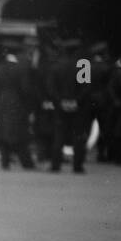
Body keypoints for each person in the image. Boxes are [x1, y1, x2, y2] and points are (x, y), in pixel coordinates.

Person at [46, 38, 89, 173]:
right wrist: (76, 101)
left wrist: (61, 101)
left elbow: (51, 89)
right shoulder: (83, 66)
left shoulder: (56, 66)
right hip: (78, 108)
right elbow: (85, 88)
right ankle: (77, 166)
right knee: (78, 137)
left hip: (60, 107)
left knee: (59, 135)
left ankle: (55, 165)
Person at [0, 43, 36, 170]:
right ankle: (26, 163)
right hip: (16, 101)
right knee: (20, 133)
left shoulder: (1, 66)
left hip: (2, 100)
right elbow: (26, 88)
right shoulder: (22, 66)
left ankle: (5, 161)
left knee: (2, 132)